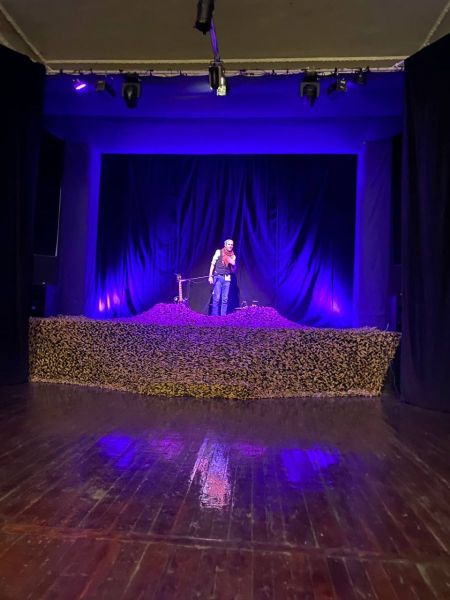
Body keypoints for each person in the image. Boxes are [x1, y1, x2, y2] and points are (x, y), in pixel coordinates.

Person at [208, 239, 236, 316]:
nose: (230, 246)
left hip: (227, 278)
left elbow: (233, 270)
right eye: (229, 244)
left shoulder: (233, 256)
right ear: (225, 245)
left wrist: (233, 264)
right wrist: (210, 276)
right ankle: (215, 317)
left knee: (225, 299)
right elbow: (212, 264)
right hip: (218, 277)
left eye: (232, 244)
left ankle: (223, 318)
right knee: (216, 298)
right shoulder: (218, 252)